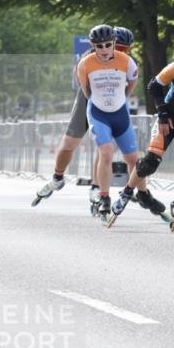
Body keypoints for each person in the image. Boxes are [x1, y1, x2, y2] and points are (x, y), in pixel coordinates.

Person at [109, 37, 174, 230]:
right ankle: (126, 193)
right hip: (170, 118)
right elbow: (154, 86)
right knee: (150, 162)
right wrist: (163, 114)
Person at [31, 25, 136, 210]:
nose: (117, 52)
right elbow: (79, 76)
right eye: (118, 47)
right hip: (88, 100)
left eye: (124, 49)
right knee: (70, 142)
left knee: (105, 147)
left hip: (111, 105)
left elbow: (131, 80)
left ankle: (97, 187)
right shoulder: (93, 52)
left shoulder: (127, 60)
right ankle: (57, 176)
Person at [75, 25, 140, 222]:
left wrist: (122, 98)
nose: (104, 49)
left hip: (119, 112)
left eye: (108, 45)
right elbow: (86, 89)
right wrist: (96, 103)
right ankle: (103, 195)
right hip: (98, 112)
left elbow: (132, 83)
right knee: (106, 151)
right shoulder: (85, 63)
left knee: (134, 159)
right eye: (99, 46)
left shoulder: (127, 62)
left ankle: (140, 192)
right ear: (93, 46)